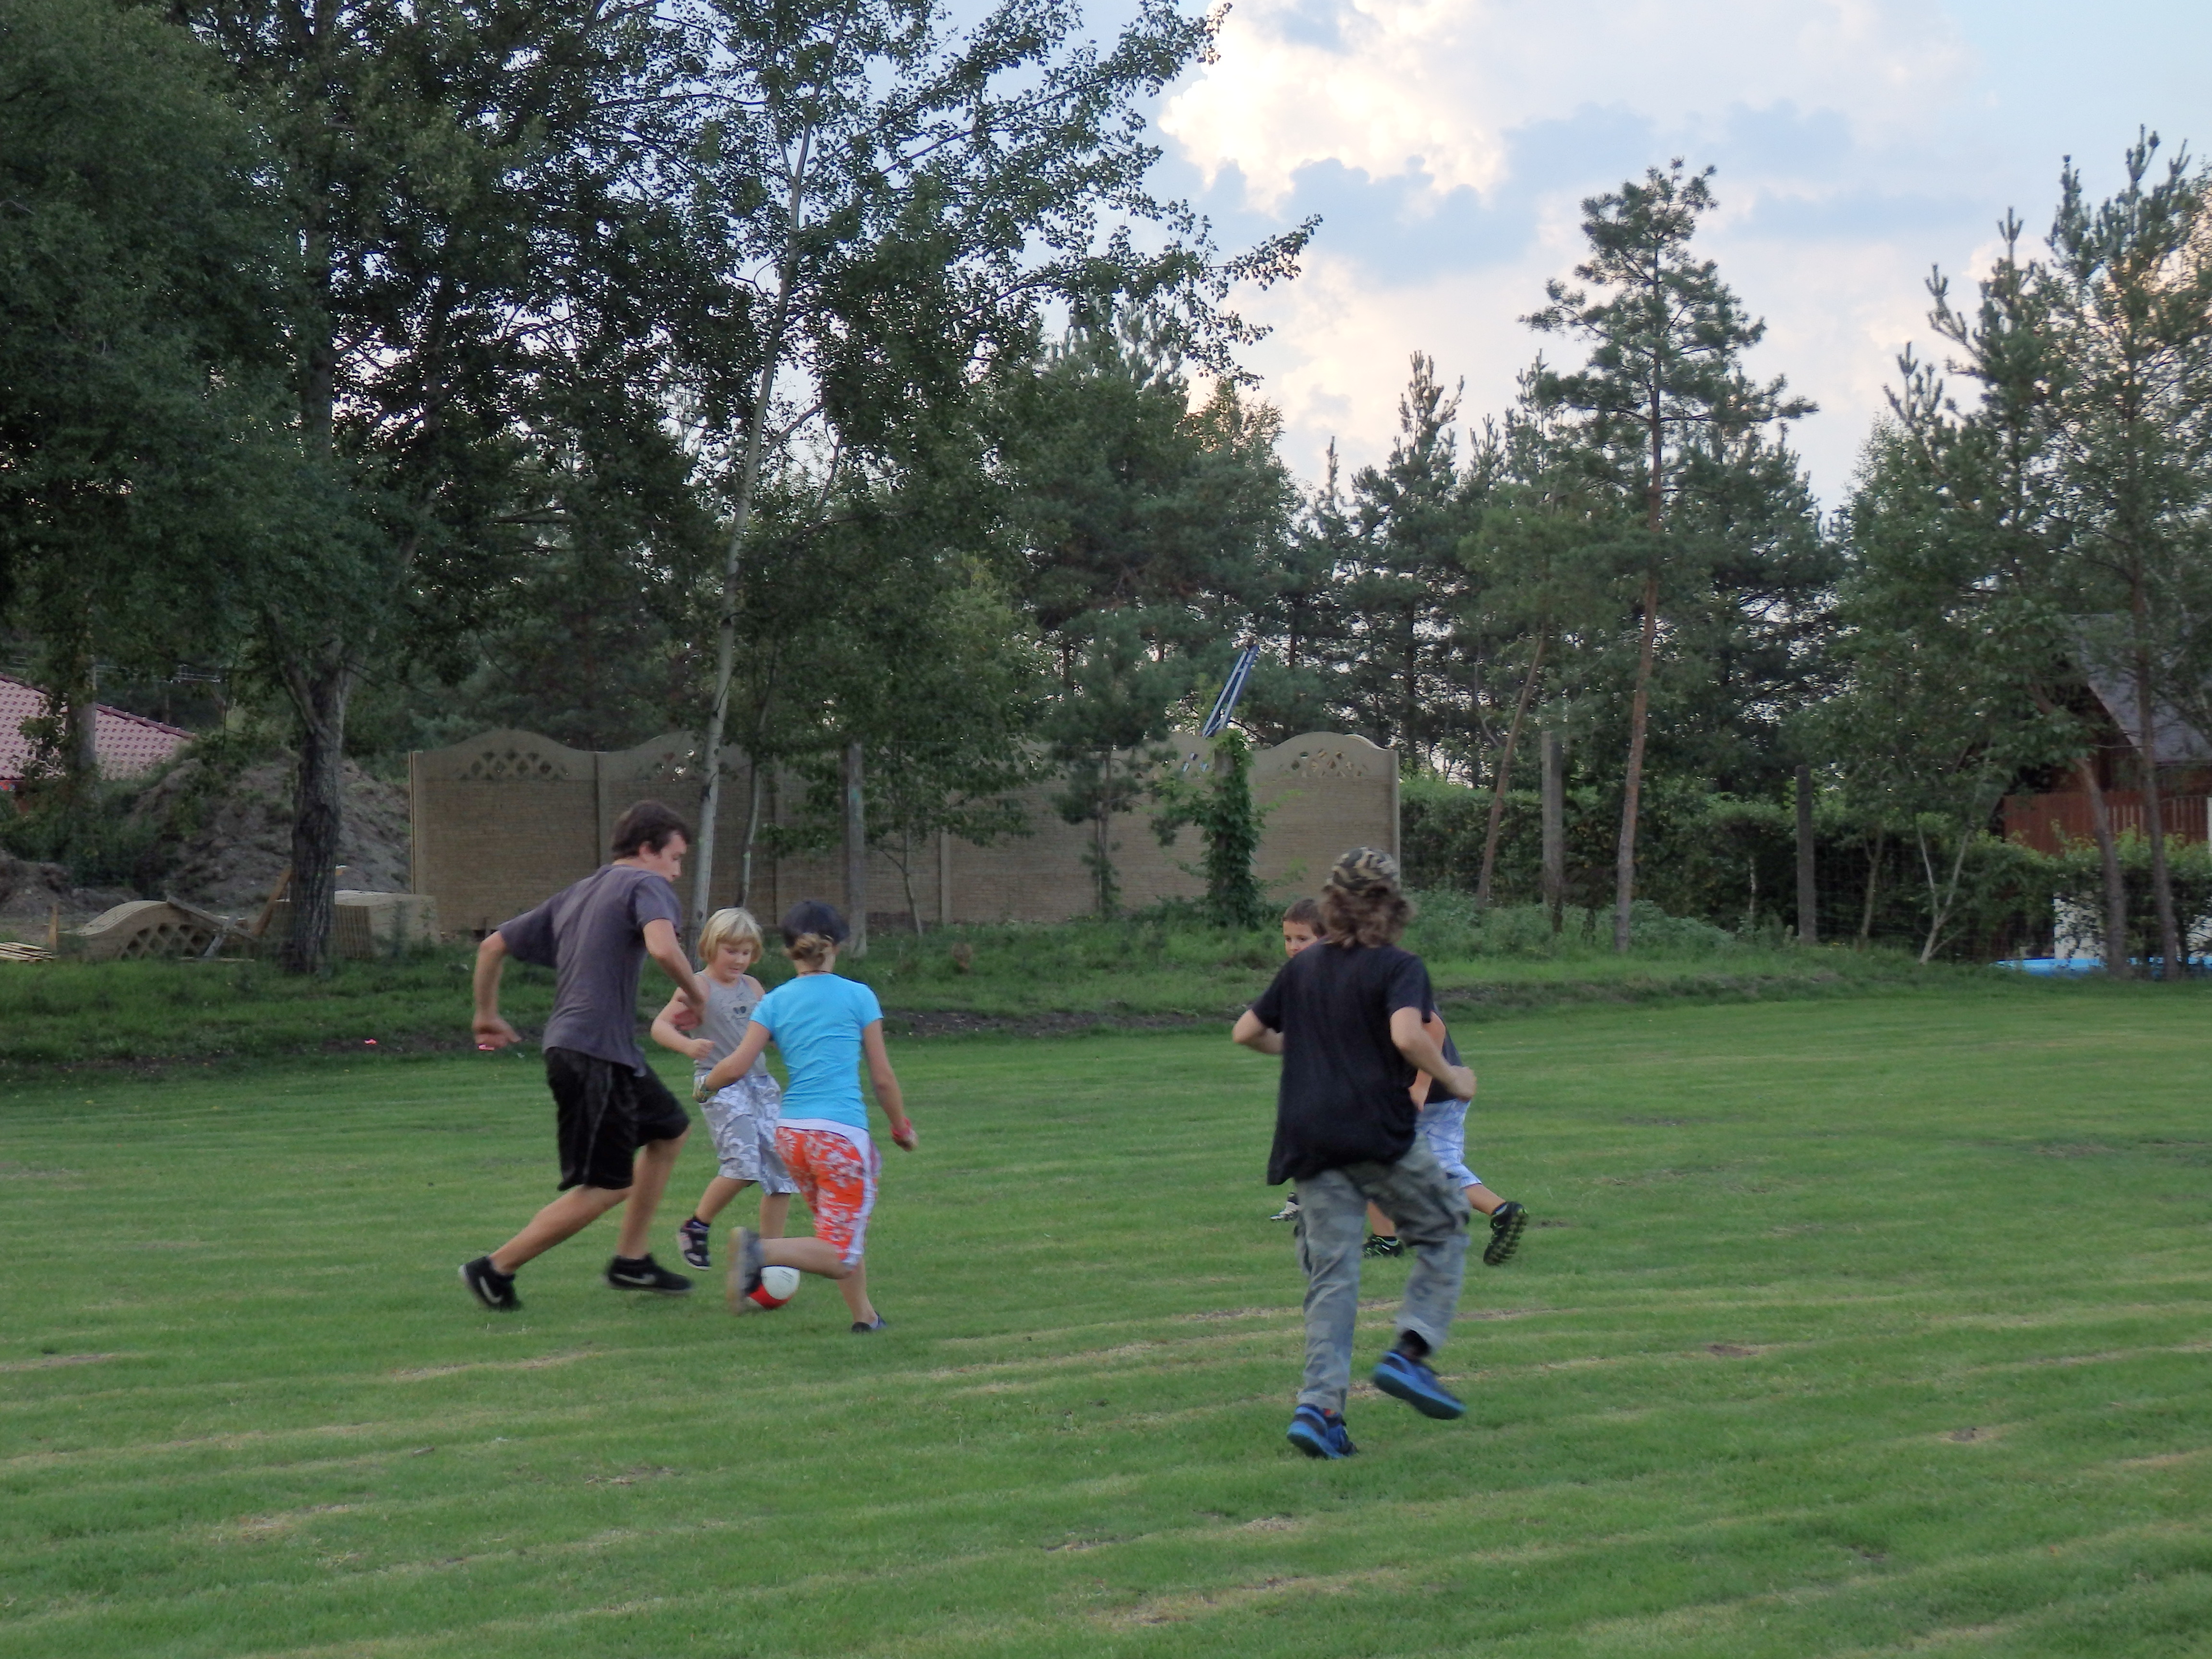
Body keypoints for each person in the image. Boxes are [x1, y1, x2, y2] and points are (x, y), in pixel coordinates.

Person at [1233, 847, 1477, 1458]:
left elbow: (1247, 1032)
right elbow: (1407, 1035)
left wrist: (1302, 1048)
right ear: (1392, 905)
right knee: (1445, 1227)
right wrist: (1453, 1077)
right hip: (1375, 1132)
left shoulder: (1304, 967)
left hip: (1308, 1138)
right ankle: (1410, 1354)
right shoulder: (1399, 966)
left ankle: (1319, 1411)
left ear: (1332, 903)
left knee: (1333, 1275)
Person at [460, 800, 709, 1312]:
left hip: (600, 1050)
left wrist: (486, 1013)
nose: (677, 873)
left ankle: (632, 1259)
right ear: (648, 849)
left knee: (670, 1129)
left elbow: (491, 947)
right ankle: (495, 1268)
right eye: (676, 858)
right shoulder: (647, 885)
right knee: (607, 1186)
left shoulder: (578, 892)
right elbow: (663, 948)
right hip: (593, 1053)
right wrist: (696, 995)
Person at [698, 900, 918, 1333]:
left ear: (787, 949)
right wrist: (901, 1128)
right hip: (839, 1136)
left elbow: (737, 1065)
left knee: (837, 1231)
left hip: (793, 1136)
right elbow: (883, 1078)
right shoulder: (858, 995)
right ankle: (760, 1252)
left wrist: (705, 1086)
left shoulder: (775, 1001)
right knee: (840, 1254)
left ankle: (865, 1318)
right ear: (837, 946)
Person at [651, 906, 796, 1272]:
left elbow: (771, 1032)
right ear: (710, 948)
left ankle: (771, 1257)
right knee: (743, 1165)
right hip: (719, 1084)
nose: (739, 959)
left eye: (746, 952)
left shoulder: (753, 987)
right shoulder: (698, 986)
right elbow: (660, 1026)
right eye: (731, 951)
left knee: (782, 1171)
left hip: (760, 1084)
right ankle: (696, 1227)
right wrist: (688, 1046)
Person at [1360, 1010, 1528, 1267]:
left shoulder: (1381, 987)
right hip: (1442, 1090)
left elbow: (1433, 1025)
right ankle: (1500, 1211)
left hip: (1421, 1092)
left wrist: (1420, 1086)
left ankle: (1386, 1240)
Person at [1266, 898, 1324, 1223]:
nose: (1293, 947)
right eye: (1288, 939)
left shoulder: (1338, 975)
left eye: (1303, 939)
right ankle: (1303, 1197)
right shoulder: (1294, 976)